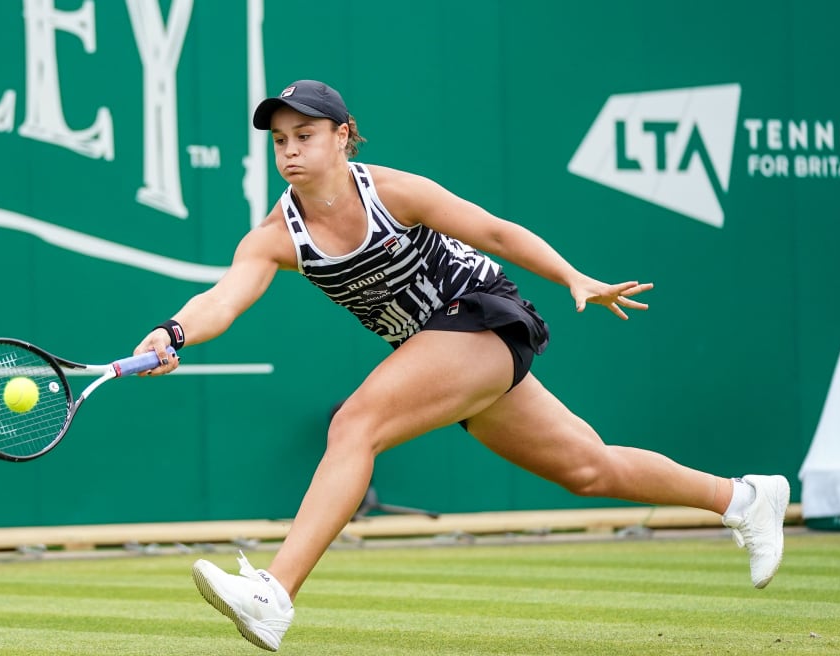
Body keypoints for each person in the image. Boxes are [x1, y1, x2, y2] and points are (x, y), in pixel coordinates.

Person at [132, 80, 790, 652]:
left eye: (305, 134)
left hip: (479, 316)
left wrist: (573, 277)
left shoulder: (395, 192)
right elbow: (223, 297)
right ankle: (744, 498)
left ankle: (276, 593)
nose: (291, 150)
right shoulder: (276, 235)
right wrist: (175, 332)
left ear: (342, 136)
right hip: (434, 351)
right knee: (590, 467)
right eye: (280, 141)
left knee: (356, 424)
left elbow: (494, 232)